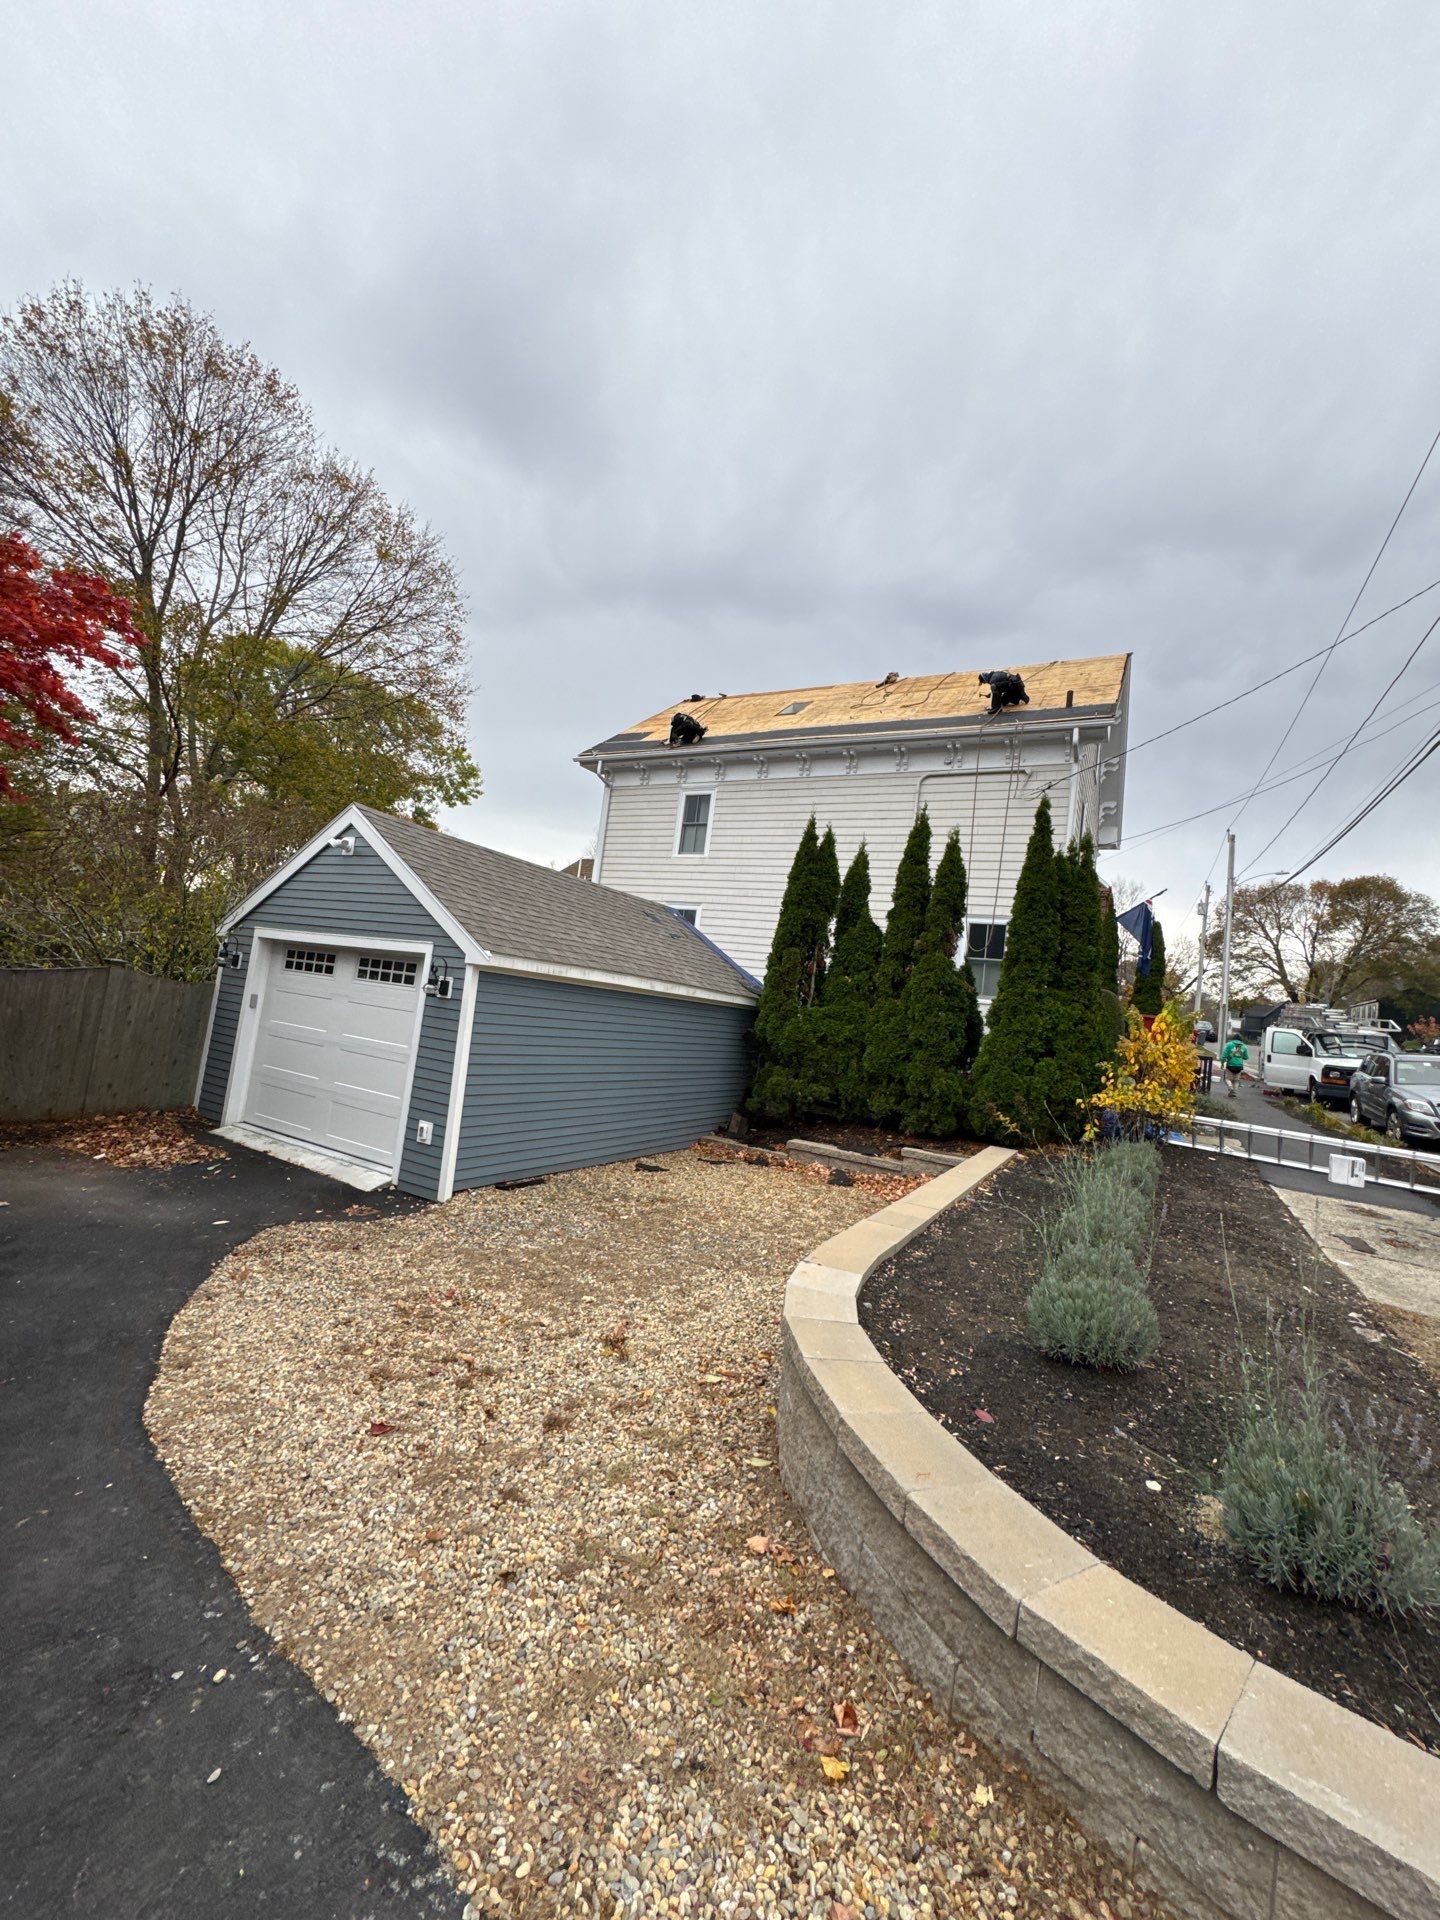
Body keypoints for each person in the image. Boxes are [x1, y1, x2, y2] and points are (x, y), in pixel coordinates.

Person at [1220, 1033, 1249, 1098]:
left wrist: (1222, 1063)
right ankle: (1234, 1093)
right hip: (1239, 1066)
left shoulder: (1229, 1045)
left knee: (1227, 1079)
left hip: (1230, 1065)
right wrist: (1239, 1055)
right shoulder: (1244, 1046)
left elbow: (1224, 1056)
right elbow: (1246, 1057)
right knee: (1236, 1081)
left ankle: (1231, 1088)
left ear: (1233, 1038)